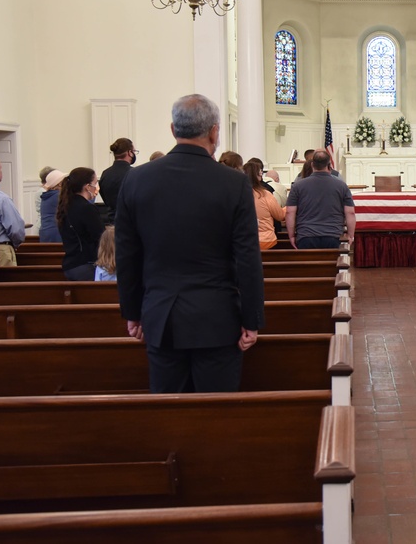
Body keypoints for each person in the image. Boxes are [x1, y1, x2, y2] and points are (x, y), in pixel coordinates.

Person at [115, 93, 264, 394]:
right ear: (214, 132)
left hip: (160, 317)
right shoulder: (233, 183)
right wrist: (252, 318)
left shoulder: (137, 179)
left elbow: (127, 254)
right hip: (217, 318)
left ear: (173, 129)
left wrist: (132, 313)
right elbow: (247, 257)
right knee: (216, 413)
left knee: (168, 413)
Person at [286, 149, 356, 249]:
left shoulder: (298, 185)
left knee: (307, 264)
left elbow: (289, 212)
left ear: (312, 165)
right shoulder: (341, 186)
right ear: (329, 165)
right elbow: (350, 212)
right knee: (331, 265)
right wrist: (350, 235)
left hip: (306, 235)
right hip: (332, 235)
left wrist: (292, 235)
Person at [56, 167, 105, 281]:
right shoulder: (87, 208)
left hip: (71, 263)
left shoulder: (66, 206)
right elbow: (100, 237)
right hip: (85, 263)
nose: (97, 187)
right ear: (88, 187)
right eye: (95, 183)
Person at [244, 160, 286, 250]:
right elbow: (279, 215)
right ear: (259, 175)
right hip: (266, 240)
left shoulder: (238, 194)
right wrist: (287, 208)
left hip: (246, 240)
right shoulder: (265, 194)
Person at [99, 137, 137, 222]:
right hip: (129, 221)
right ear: (130, 152)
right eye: (134, 151)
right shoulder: (134, 173)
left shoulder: (105, 174)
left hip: (111, 219)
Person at [39, 169, 66, 242]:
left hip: (45, 232)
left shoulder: (47, 195)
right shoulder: (58, 195)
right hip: (56, 233)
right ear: (60, 184)